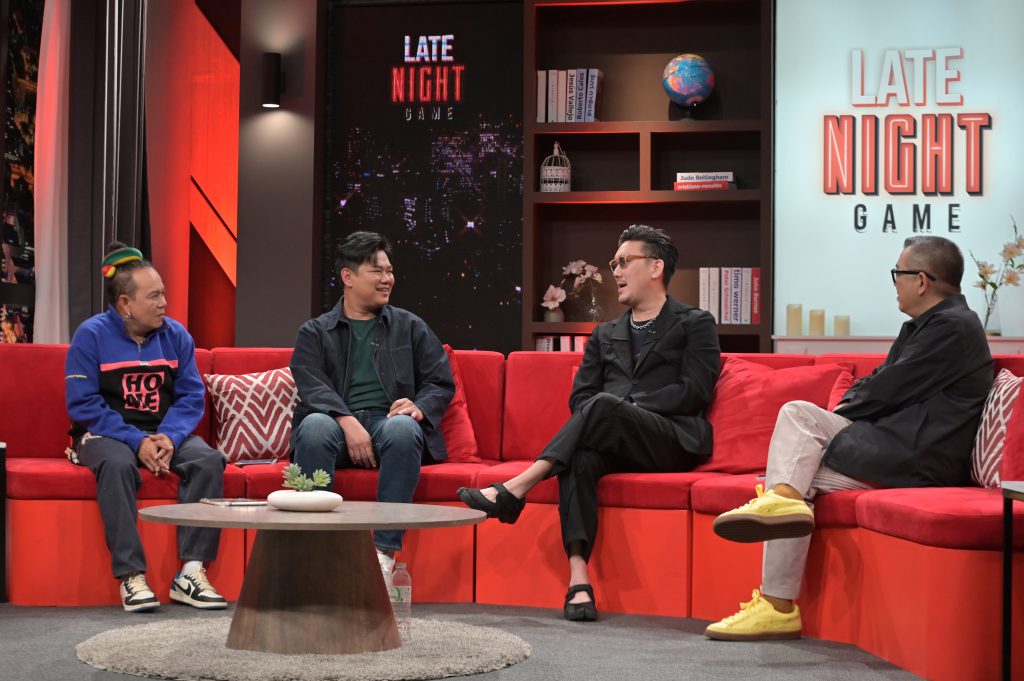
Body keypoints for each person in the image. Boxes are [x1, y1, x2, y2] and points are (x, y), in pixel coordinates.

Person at [705, 235, 993, 641]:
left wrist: (841, 410)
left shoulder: (953, 328)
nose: (894, 282)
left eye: (898, 273)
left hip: (919, 459)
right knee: (792, 475)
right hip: (897, 449)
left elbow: (887, 388)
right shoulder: (926, 326)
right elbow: (882, 382)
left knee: (798, 418)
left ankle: (777, 593)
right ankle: (777, 598)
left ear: (921, 281)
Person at [458, 224, 721, 621]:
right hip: (614, 439)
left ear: (655, 267)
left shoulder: (694, 323)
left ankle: (519, 486)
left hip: (669, 440)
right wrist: (614, 409)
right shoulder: (604, 334)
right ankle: (579, 580)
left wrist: (627, 405)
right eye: (613, 264)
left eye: (624, 262)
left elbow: (695, 391)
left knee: (603, 404)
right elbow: (580, 399)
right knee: (578, 458)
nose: (615, 271)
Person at [65, 242, 228, 613]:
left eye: (163, 294)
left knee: (208, 460)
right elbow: (83, 404)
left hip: (163, 431)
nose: (164, 304)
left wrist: (168, 437)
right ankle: (131, 575)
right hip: (107, 433)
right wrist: (136, 440)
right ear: (125, 303)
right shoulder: (91, 335)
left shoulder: (176, 336)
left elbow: (191, 397)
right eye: (154, 296)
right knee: (116, 463)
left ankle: (191, 572)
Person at [290, 231, 455, 581]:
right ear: (348, 277)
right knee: (315, 426)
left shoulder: (409, 326)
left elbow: (440, 381)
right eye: (377, 271)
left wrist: (419, 406)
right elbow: (311, 385)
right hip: (334, 428)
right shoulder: (314, 332)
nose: (387, 279)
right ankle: (317, 557)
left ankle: (383, 555)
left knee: (404, 428)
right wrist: (347, 420)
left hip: (386, 426)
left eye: (390, 271)